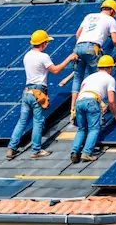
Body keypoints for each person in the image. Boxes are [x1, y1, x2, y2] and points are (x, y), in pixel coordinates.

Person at [6, 30, 74, 160]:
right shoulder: (43, 57)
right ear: (43, 43)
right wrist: (69, 59)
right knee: (38, 121)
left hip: (27, 92)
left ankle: (11, 148)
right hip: (38, 92)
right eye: (47, 42)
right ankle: (36, 150)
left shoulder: (27, 56)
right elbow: (55, 70)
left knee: (22, 121)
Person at [70, 0, 116, 117]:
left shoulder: (89, 16)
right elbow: (115, 40)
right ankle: (99, 106)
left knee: (77, 78)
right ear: (112, 11)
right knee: (97, 77)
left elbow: (77, 34)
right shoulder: (110, 20)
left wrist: (84, 46)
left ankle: (73, 109)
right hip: (92, 48)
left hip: (78, 47)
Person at [71, 55, 116, 163]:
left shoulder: (89, 77)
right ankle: (86, 153)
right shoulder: (110, 79)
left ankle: (75, 152)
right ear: (110, 68)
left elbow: (85, 92)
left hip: (79, 101)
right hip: (92, 101)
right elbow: (112, 101)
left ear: (99, 67)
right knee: (94, 128)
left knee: (82, 128)